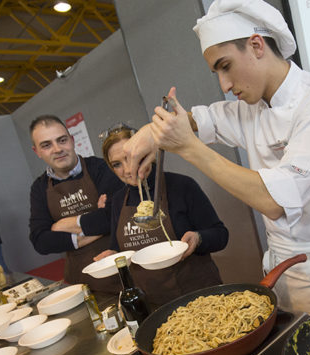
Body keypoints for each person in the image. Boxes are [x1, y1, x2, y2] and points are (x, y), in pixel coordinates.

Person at [122, 0, 310, 314]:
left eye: (226, 67)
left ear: (256, 45)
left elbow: (275, 201)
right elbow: (200, 117)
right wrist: (149, 136)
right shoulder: (250, 109)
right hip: (278, 263)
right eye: (217, 73)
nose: (225, 85)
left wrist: (188, 147)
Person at [94, 125, 228, 307]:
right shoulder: (118, 201)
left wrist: (198, 238)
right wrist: (112, 256)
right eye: (117, 164)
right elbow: (119, 249)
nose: (127, 169)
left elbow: (221, 235)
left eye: (130, 158)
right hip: (152, 304)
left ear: (147, 152)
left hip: (200, 297)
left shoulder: (182, 186)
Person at [29, 115, 124, 292]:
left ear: (72, 141)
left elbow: (117, 214)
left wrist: (61, 226)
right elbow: (40, 240)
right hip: (79, 280)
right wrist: (97, 224)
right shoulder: (39, 188)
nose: (57, 149)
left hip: (117, 267)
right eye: (46, 145)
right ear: (37, 152)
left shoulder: (101, 168)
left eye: (62, 140)